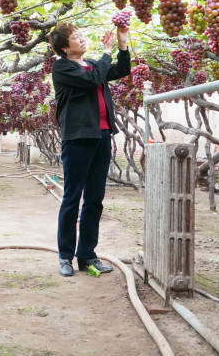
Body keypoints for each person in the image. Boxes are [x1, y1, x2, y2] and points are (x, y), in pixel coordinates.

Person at [48, 20, 130, 277]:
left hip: (101, 136)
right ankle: (65, 256)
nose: (82, 39)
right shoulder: (61, 67)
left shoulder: (94, 64)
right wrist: (106, 52)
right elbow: (93, 80)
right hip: (78, 138)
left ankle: (87, 256)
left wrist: (121, 43)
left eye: (82, 34)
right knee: (72, 199)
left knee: (94, 200)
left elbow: (121, 70)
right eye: (76, 36)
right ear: (63, 46)